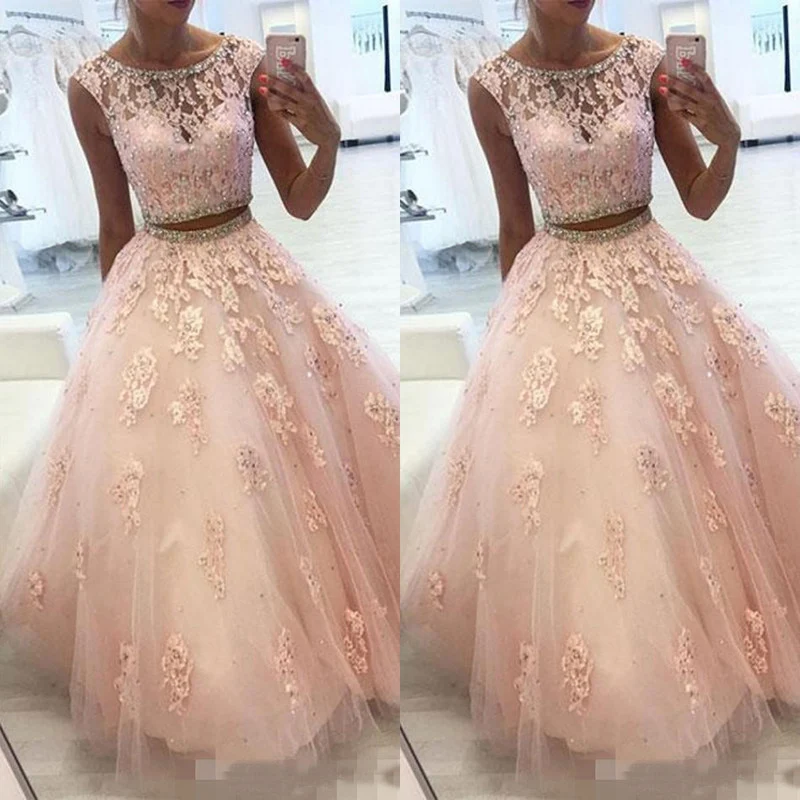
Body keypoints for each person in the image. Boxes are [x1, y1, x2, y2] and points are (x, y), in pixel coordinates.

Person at [402, 0, 800, 782]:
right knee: (587, 485)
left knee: (692, 459)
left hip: (654, 278)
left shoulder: (643, 62)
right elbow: (513, 225)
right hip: (556, 296)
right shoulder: (491, 87)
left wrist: (726, 136)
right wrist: (507, 341)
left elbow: (701, 198)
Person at [0, 0, 399, 777]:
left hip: (254, 281)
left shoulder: (243, 62)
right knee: (181, 486)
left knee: (280, 461)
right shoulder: (92, 88)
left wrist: (326, 136)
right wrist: (110, 342)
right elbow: (114, 224)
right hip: (156, 295)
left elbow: (301, 198)